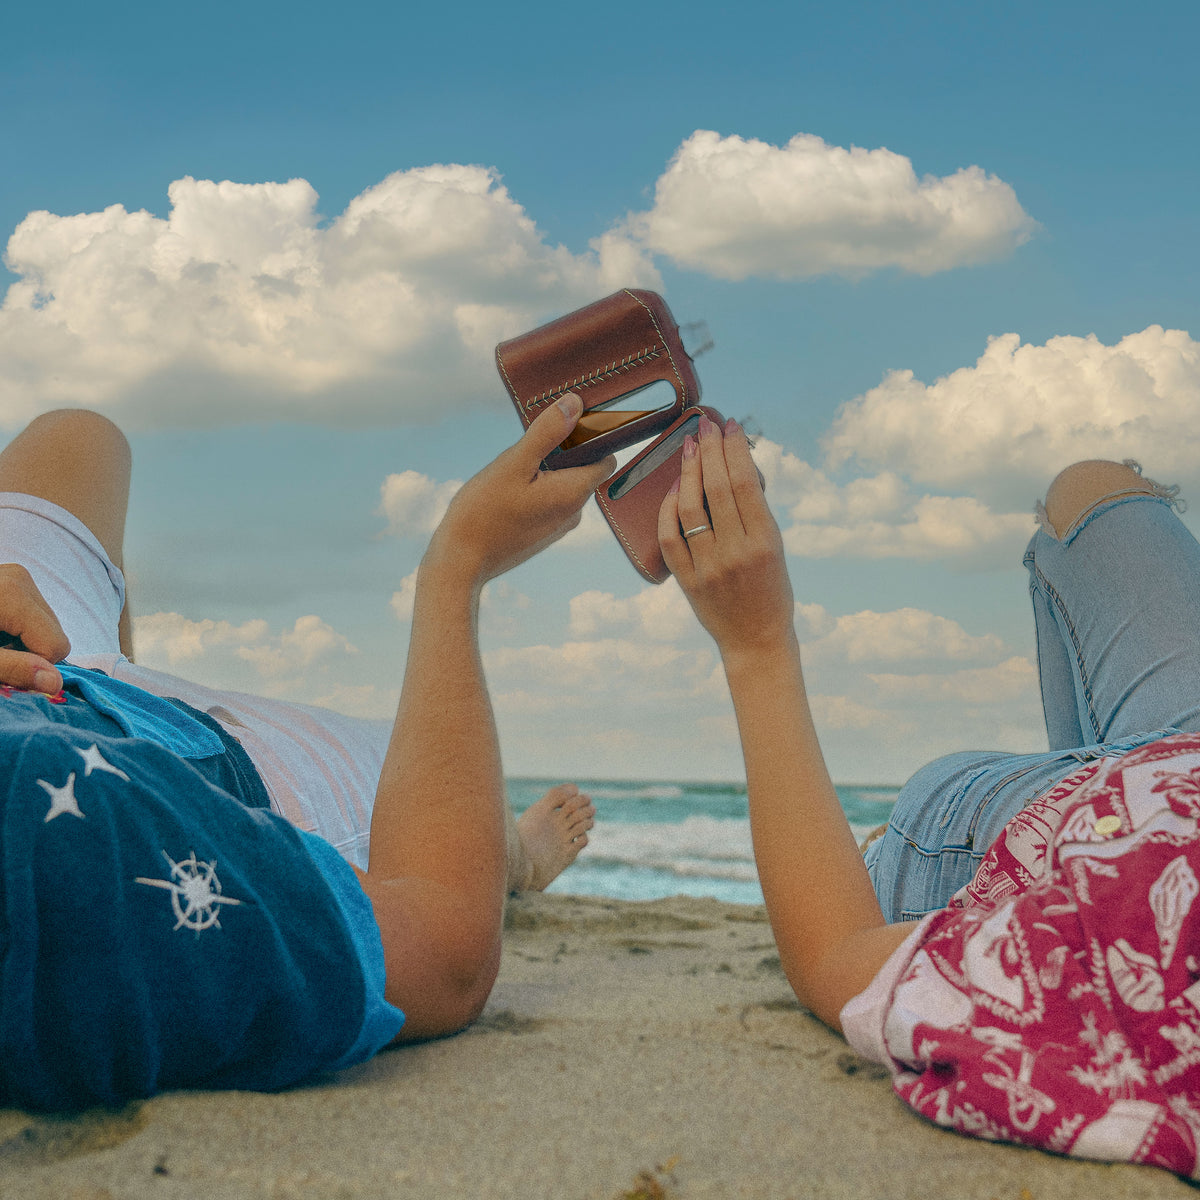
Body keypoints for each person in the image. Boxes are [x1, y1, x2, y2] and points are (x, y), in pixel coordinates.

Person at [0, 399, 601, 1111]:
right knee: (419, 770)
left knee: (77, 438)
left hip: (47, 664)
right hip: (174, 772)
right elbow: (447, 954)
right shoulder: (62, 843)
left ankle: (127, 667)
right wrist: (458, 565)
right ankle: (520, 860)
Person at [662, 414, 1200, 1179]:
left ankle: (904, 856)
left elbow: (837, 960)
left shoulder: (1151, 982)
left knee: (923, 820)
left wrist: (756, 643)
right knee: (1092, 489)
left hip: (1042, 847)